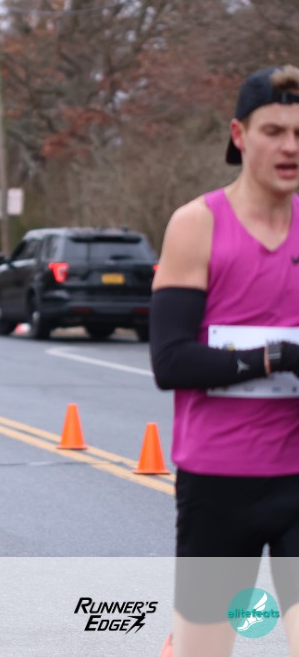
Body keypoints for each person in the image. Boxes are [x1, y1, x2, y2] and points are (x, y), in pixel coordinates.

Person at [150, 64, 299, 656]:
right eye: (274, 131)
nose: (290, 147)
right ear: (239, 135)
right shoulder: (198, 224)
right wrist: (278, 357)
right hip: (219, 482)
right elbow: (171, 362)